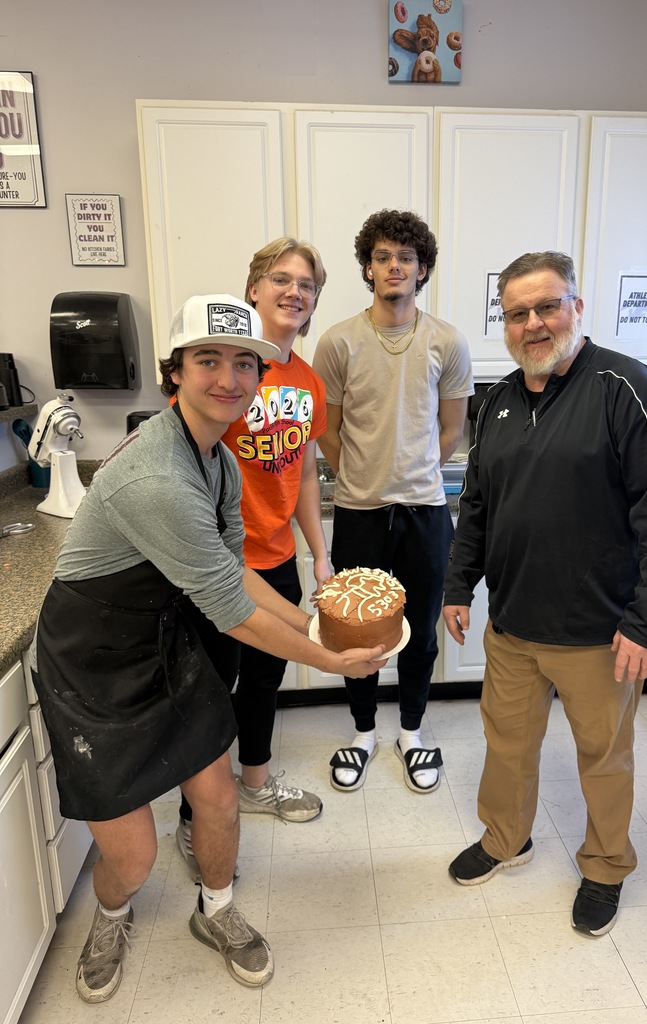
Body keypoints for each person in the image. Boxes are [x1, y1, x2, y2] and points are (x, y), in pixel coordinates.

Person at [29, 294, 386, 1003]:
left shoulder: (215, 457)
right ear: (177, 373)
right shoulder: (157, 477)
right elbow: (227, 612)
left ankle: (215, 912)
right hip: (92, 658)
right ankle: (112, 914)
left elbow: (235, 570)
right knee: (132, 856)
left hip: (164, 638)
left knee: (218, 800)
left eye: (244, 363)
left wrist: (313, 625)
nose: (228, 377)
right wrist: (331, 661)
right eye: (209, 360)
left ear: (260, 378)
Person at [443, 252, 647, 937]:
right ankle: (505, 839)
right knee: (507, 745)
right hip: (515, 625)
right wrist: (458, 584)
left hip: (599, 632)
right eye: (518, 312)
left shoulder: (626, 388)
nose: (533, 323)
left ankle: (607, 865)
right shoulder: (496, 400)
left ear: (576, 308)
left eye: (547, 306)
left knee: (602, 756)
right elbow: (477, 506)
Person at [175, 240, 330, 882]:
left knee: (266, 678)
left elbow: (306, 471)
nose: (294, 291)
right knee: (211, 690)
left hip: (276, 557)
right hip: (218, 562)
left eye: (307, 284)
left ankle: (257, 782)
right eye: (281, 279)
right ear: (254, 289)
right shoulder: (228, 372)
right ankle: (197, 819)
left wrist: (320, 554)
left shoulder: (308, 380)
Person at [313, 209, 473, 794]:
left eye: (406, 257)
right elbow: (326, 432)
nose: (394, 266)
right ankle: (362, 732)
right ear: (367, 267)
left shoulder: (446, 341)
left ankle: (410, 730)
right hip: (359, 511)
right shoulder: (337, 342)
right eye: (383, 257)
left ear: (422, 268)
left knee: (420, 631)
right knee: (356, 632)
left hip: (427, 512)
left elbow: (451, 431)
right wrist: (363, 472)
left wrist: (413, 469)